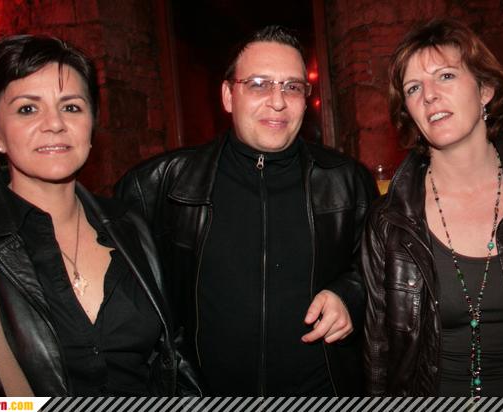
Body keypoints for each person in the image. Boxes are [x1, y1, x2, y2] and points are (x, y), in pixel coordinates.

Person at [115, 25, 379, 396]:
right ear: (228, 95)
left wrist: (349, 295)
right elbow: (124, 311)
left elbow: (378, 269)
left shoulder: (347, 181)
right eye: (258, 84)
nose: (278, 101)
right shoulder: (159, 186)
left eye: (292, 87)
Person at [0, 34, 201, 396]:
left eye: (71, 107)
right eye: (28, 109)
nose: (55, 123)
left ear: (91, 125)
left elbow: (174, 357)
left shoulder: (131, 227)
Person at [363, 18, 503, 397]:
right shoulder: (389, 221)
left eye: (445, 76)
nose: (428, 96)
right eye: (413, 88)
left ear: (485, 89)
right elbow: (379, 360)